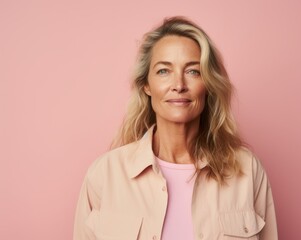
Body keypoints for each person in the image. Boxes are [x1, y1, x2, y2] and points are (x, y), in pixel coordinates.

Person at [73, 16, 278, 240]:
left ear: (208, 83)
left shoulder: (247, 171)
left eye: (193, 71)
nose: (179, 85)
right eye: (163, 71)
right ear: (146, 85)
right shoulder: (105, 175)